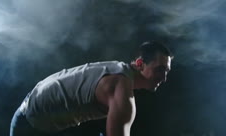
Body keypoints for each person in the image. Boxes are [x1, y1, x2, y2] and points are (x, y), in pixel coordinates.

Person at [10, 41, 173, 136]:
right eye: (160, 69)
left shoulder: (117, 70)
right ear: (139, 63)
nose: (164, 78)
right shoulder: (121, 87)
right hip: (31, 126)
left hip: (29, 114)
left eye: (166, 72)